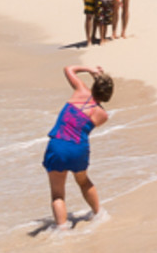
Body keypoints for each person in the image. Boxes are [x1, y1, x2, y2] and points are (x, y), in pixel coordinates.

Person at [42, 64, 113, 228]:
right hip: (78, 148)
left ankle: (62, 230)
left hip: (58, 144)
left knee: (57, 194)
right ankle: (99, 214)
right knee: (83, 181)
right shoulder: (103, 115)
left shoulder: (81, 91)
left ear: (94, 85)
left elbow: (68, 69)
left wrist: (91, 70)